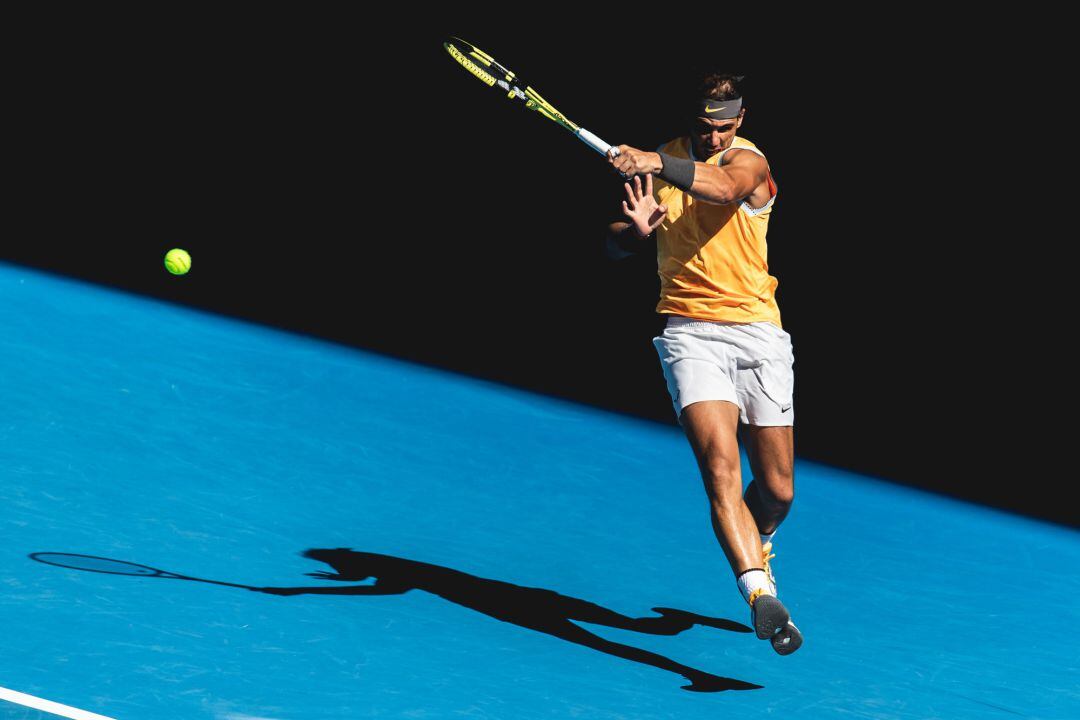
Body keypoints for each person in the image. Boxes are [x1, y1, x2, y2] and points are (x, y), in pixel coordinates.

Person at [603, 73, 801, 655]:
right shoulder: (661, 159)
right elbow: (612, 244)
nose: (713, 135)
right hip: (690, 333)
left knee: (778, 491)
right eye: (703, 125)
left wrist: (652, 164)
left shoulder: (749, 164)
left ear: (740, 120)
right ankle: (760, 593)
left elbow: (720, 188)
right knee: (720, 468)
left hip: (758, 331)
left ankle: (758, 539)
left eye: (724, 125)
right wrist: (635, 233)